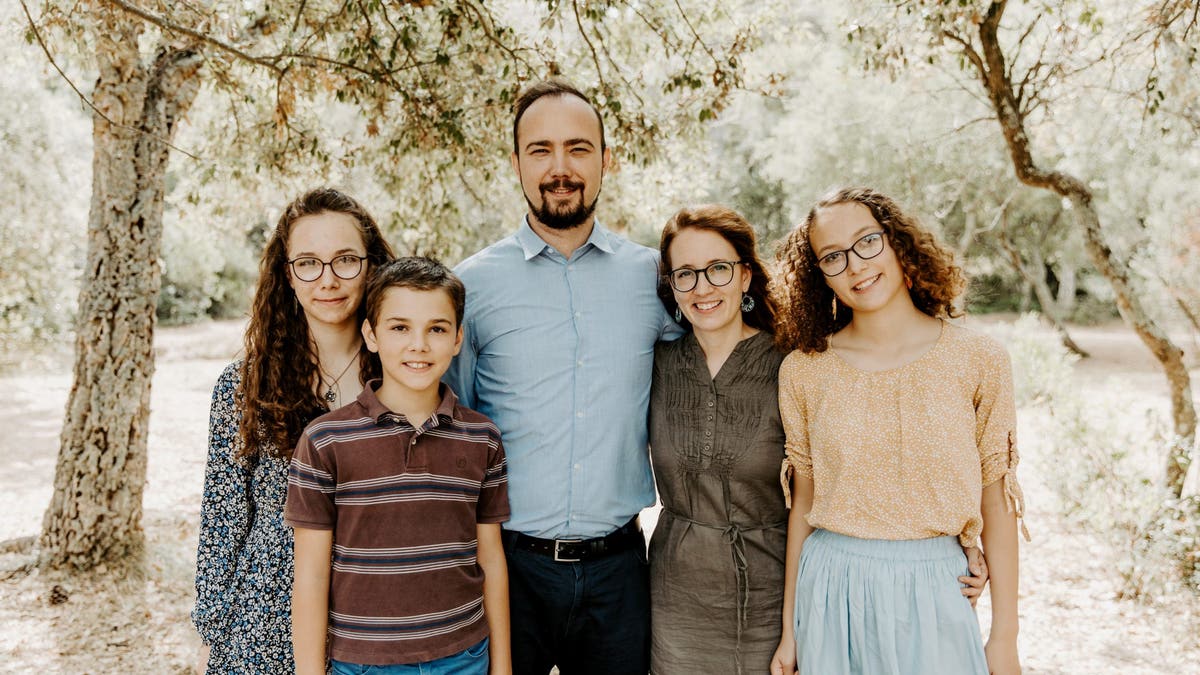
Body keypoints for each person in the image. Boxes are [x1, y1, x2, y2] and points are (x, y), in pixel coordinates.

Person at [444, 78, 681, 675]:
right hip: (507, 566)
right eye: (540, 150)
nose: (560, 168)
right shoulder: (472, 287)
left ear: (606, 159)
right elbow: (453, 420)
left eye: (578, 148)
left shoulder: (654, 279)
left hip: (620, 569)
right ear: (517, 163)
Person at [769, 187, 1029, 675]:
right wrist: (791, 631)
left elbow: (996, 502)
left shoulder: (978, 360)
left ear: (895, 241)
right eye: (833, 257)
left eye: (867, 242)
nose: (855, 266)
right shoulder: (804, 370)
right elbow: (802, 507)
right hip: (831, 590)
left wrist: (1005, 637)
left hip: (937, 587)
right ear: (819, 276)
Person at [191, 188, 395, 673]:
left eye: (346, 259)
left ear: (372, 266)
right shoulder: (244, 385)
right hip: (264, 622)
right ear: (287, 274)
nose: (327, 279)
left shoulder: (404, 376)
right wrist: (212, 633)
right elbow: (223, 516)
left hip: (375, 620)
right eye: (308, 263)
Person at [287, 256, 511, 675]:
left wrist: (502, 667)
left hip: (463, 657)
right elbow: (311, 575)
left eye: (437, 329)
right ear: (371, 334)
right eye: (400, 327)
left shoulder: (483, 439)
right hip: (362, 662)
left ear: (459, 338)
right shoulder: (324, 441)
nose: (419, 345)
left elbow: (491, 560)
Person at [648, 205, 787, 675]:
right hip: (674, 600)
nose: (702, 288)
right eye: (685, 274)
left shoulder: (791, 364)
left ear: (745, 276)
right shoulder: (656, 364)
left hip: (773, 598)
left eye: (718, 269)